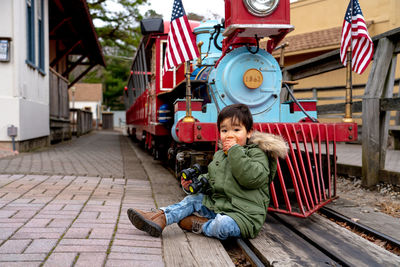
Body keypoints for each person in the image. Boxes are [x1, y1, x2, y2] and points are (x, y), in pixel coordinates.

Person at [127, 103, 287, 240]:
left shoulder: (257, 153)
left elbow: (251, 178)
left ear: (249, 132)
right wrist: (195, 184)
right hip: (220, 206)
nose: (230, 135)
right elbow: (213, 179)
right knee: (192, 199)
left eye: (236, 130)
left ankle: (202, 225)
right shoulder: (220, 155)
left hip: (244, 216)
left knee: (223, 225)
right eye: (224, 131)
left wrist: (234, 151)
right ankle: (160, 217)